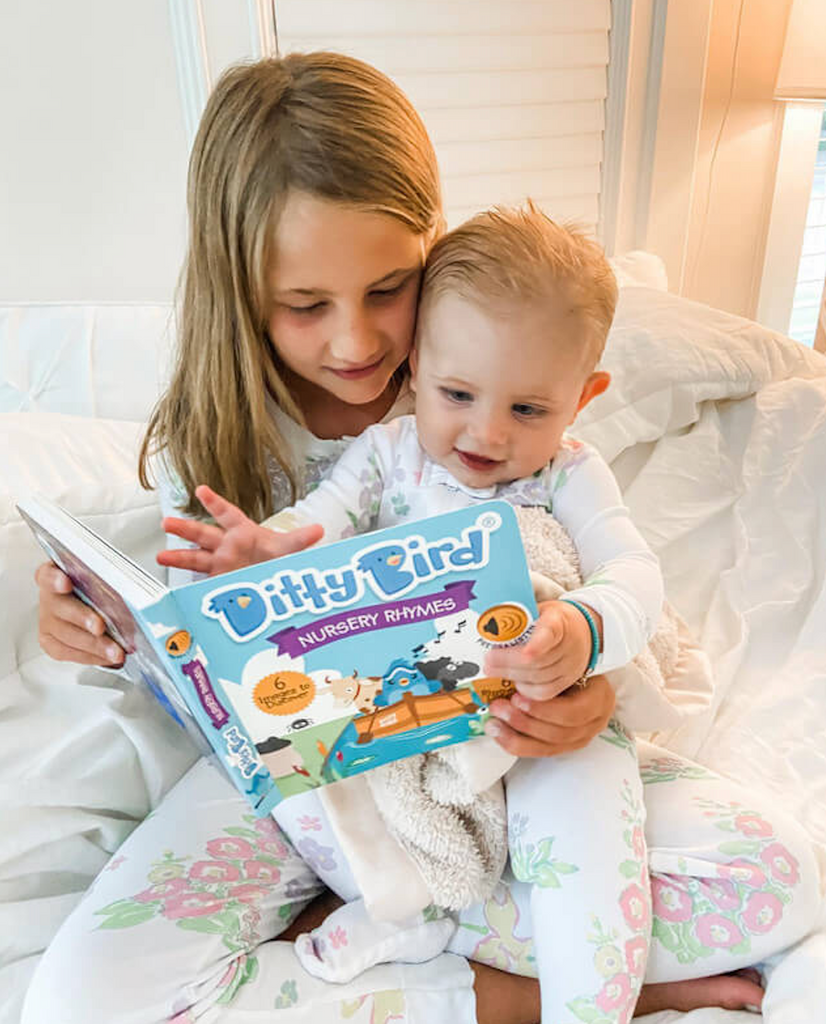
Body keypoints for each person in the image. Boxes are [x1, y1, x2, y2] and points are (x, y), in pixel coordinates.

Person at [26, 53, 819, 1024]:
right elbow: (200, 621)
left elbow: (602, 577)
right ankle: (514, 986)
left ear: (433, 252)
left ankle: (430, 933)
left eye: (387, 288)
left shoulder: (504, 366)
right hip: (305, 781)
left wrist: (589, 684)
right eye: (305, 305)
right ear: (241, 284)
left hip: (503, 752)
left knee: (778, 876)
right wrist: (98, 620)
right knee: (76, 1003)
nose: (355, 342)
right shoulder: (212, 436)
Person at [161, 203, 670, 1021]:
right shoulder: (388, 457)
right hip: (409, 719)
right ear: (416, 369)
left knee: (593, 837)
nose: (486, 432)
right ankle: (410, 913)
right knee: (300, 766)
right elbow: (316, 524)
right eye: (457, 392)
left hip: (531, 718)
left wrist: (582, 630)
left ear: (583, 398)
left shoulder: (571, 477)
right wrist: (268, 552)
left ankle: (591, 1000)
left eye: (529, 409)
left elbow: (636, 575)